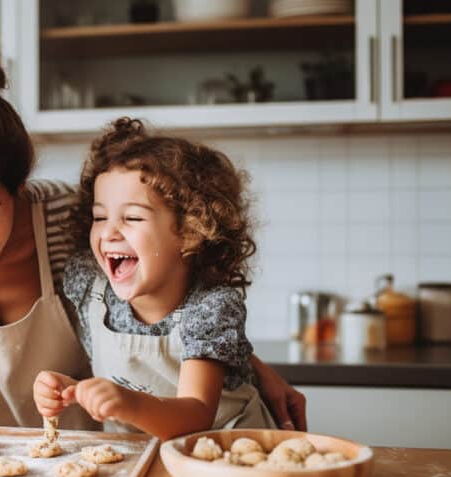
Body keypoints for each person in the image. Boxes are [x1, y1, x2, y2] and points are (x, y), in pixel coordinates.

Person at [0, 34, 307, 431]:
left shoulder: (74, 221)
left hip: (106, 443)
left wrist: (247, 365)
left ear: (20, 191)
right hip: (5, 445)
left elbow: (181, 297)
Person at [34, 118, 276, 439]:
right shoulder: (89, 286)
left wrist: (127, 403)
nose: (108, 232)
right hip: (146, 458)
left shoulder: (209, 309)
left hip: (229, 458)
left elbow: (196, 416)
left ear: (191, 232)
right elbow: (120, 392)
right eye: (100, 217)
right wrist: (73, 392)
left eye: (132, 217)